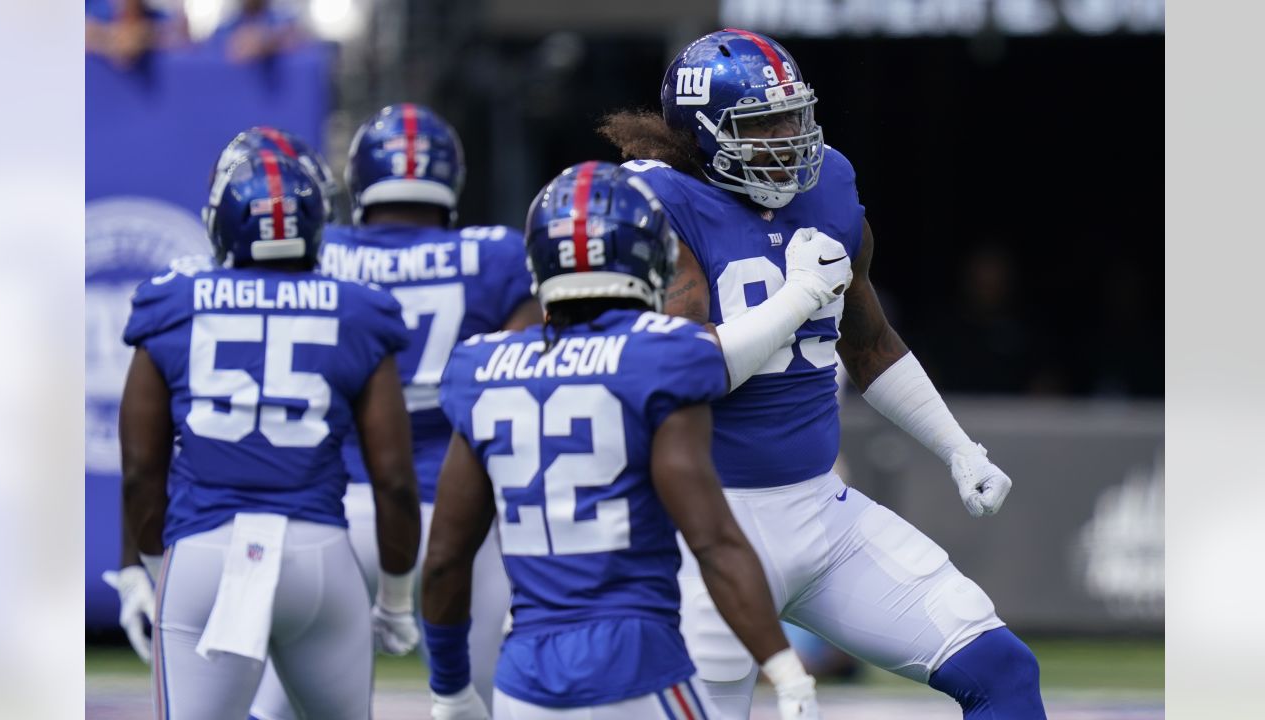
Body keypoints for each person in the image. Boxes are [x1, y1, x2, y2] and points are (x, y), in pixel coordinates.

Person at [599, 28, 1046, 719]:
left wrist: (957, 447)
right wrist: (799, 298)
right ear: (702, 133)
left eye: (793, 115)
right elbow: (685, 369)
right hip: (704, 526)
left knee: (1002, 669)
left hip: (819, 509)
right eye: (762, 124)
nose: (789, 137)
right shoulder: (655, 205)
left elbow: (867, 344)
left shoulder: (828, 183)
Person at [420, 161, 825, 720]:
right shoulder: (664, 354)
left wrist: (448, 689)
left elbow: (444, 557)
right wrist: (783, 668)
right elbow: (713, 541)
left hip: (526, 680)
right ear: (649, 255)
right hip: (635, 664)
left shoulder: (481, 366)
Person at [118, 149, 420, 719]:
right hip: (319, 557)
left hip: (208, 550)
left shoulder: (173, 301)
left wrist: (158, 573)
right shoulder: (355, 308)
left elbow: (139, 468)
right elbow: (395, 479)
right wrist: (398, 599)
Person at [307, 102, 541, 710]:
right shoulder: (495, 256)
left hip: (340, 502)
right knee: (489, 697)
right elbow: (529, 363)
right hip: (461, 510)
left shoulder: (321, 251)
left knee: (298, 703)